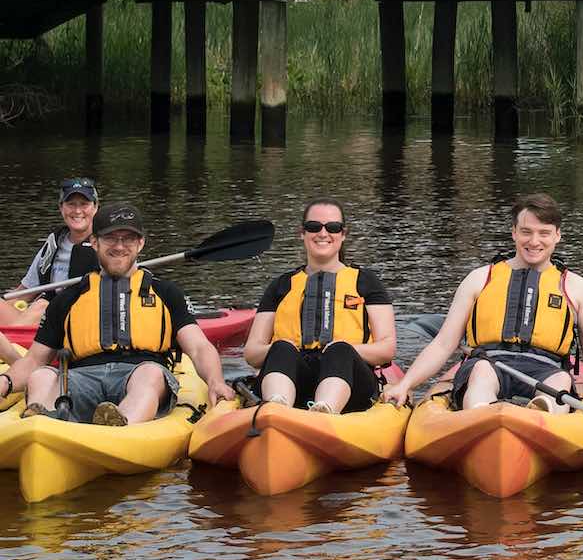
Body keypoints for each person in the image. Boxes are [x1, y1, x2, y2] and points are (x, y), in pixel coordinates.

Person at [0, 204, 235, 425]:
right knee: (41, 377)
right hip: (82, 379)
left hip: (140, 374)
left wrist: (216, 381)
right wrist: (6, 382)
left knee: (150, 373)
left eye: (128, 238)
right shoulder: (68, 298)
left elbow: (198, 347)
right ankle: (43, 426)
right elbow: (33, 360)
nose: (119, 246)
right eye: (110, 238)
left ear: (140, 243)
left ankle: (120, 427)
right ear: (94, 242)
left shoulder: (166, 292)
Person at [382, 193, 583, 411]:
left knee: (562, 378)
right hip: (489, 362)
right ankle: (483, 414)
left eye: (544, 233)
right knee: (482, 372)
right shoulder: (480, 278)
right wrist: (406, 384)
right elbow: (444, 344)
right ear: (513, 232)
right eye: (526, 232)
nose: (534, 241)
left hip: (546, 369)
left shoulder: (576, 288)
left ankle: (542, 413)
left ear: (557, 236)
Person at [243, 199, 397, 414]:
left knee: (341, 349)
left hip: (350, 382)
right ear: (302, 233)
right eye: (314, 227)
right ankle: (277, 408)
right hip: (293, 378)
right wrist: (283, 348)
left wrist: (343, 348)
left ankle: (325, 410)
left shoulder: (366, 282)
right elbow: (252, 353)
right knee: (281, 347)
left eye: (332, 227)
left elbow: (387, 349)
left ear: (343, 234)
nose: (323, 233)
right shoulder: (281, 285)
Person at [3, 177, 100, 328]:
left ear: (95, 207)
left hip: (82, 320)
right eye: (71, 204)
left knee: (41, 306)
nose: (77, 211)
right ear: (61, 208)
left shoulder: (107, 244)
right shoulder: (55, 241)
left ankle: (9, 342)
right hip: (44, 317)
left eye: (84, 204)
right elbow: (26, 291)